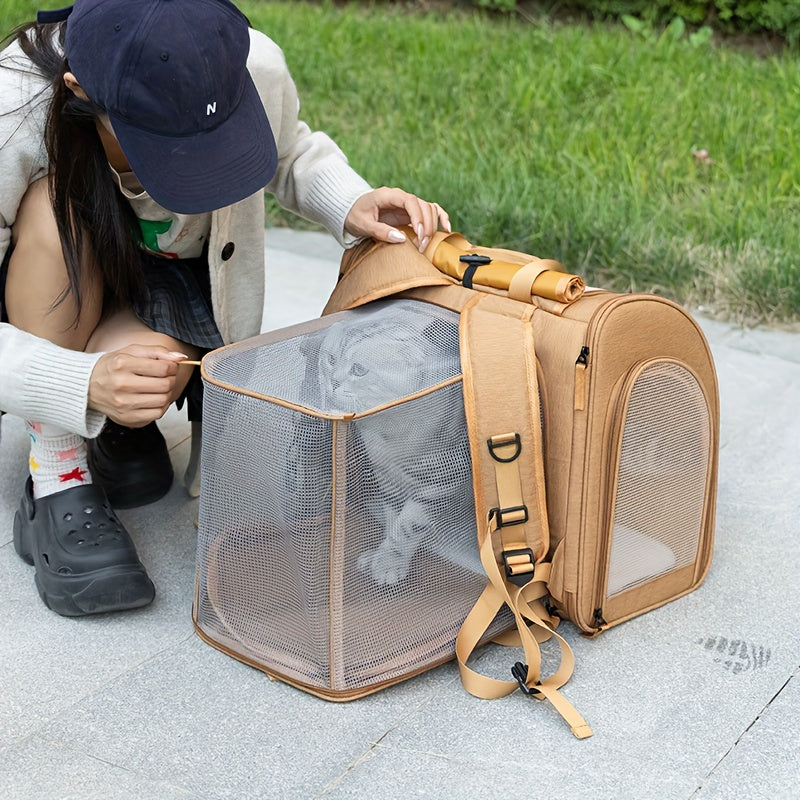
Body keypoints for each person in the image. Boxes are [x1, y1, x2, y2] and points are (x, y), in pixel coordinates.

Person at [0, 0, 450, 617]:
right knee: (55, 211)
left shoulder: (250, 63)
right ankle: (57, 474)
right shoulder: (11, 109)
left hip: (168, 279)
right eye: (168, 147)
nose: (196, 169)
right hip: (49, 273)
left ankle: (122, 430)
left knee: (150, 372)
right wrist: (74, 380)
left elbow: (290, 151)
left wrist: (351, 200)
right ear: (81, 92)